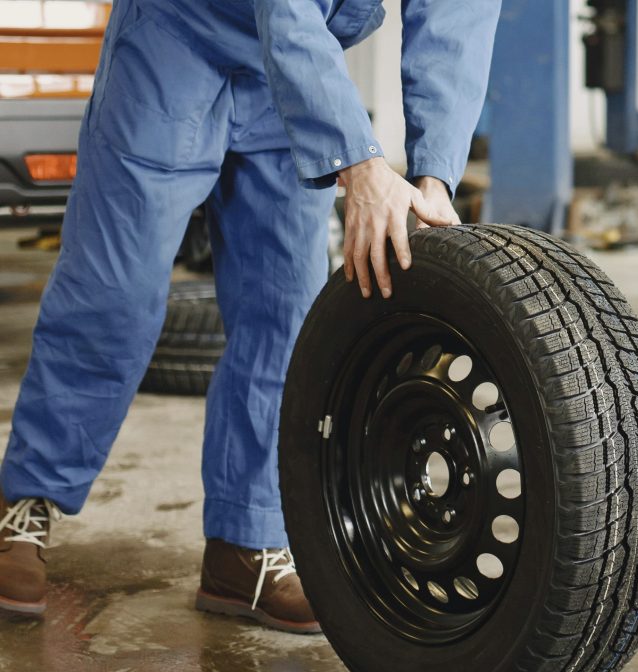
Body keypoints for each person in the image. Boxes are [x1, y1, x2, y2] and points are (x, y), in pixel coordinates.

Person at [0, 0, 501, 633]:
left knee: (284, 314)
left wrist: (435, 177)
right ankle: (25, 500)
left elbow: (457, 18)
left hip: (288, 77)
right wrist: (361, 165)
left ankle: (245, 545)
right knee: (113, 297)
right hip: (178, 41)